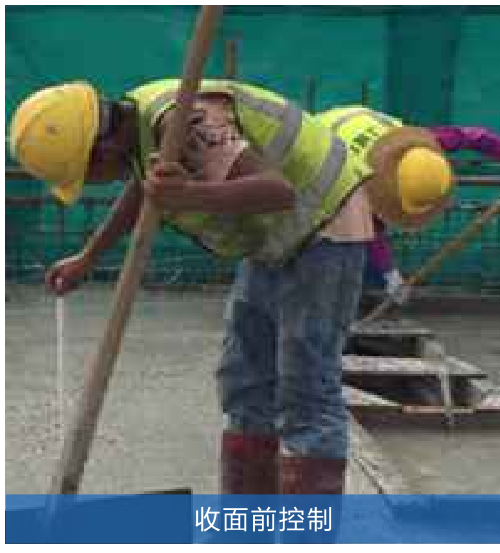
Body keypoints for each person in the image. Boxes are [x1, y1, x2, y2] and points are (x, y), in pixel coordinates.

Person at [10, 78, 453, 494]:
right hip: (271, 237)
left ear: (101, 149)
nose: (91, 184)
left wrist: (188, 196)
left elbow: (277, 191)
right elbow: (147, 187)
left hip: (327, 222)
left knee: (306, 386)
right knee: (244, 378)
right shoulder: (133, 128)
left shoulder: (191, 124)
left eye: (86, 176)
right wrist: (89, 256)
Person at [314, 106, 500, 307]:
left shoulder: (419, 150)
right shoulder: (356, 178)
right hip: (319, 147)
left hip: (357, 122)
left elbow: (475, 137)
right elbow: (371, 229)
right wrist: (390, 274)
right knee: (340, 245)